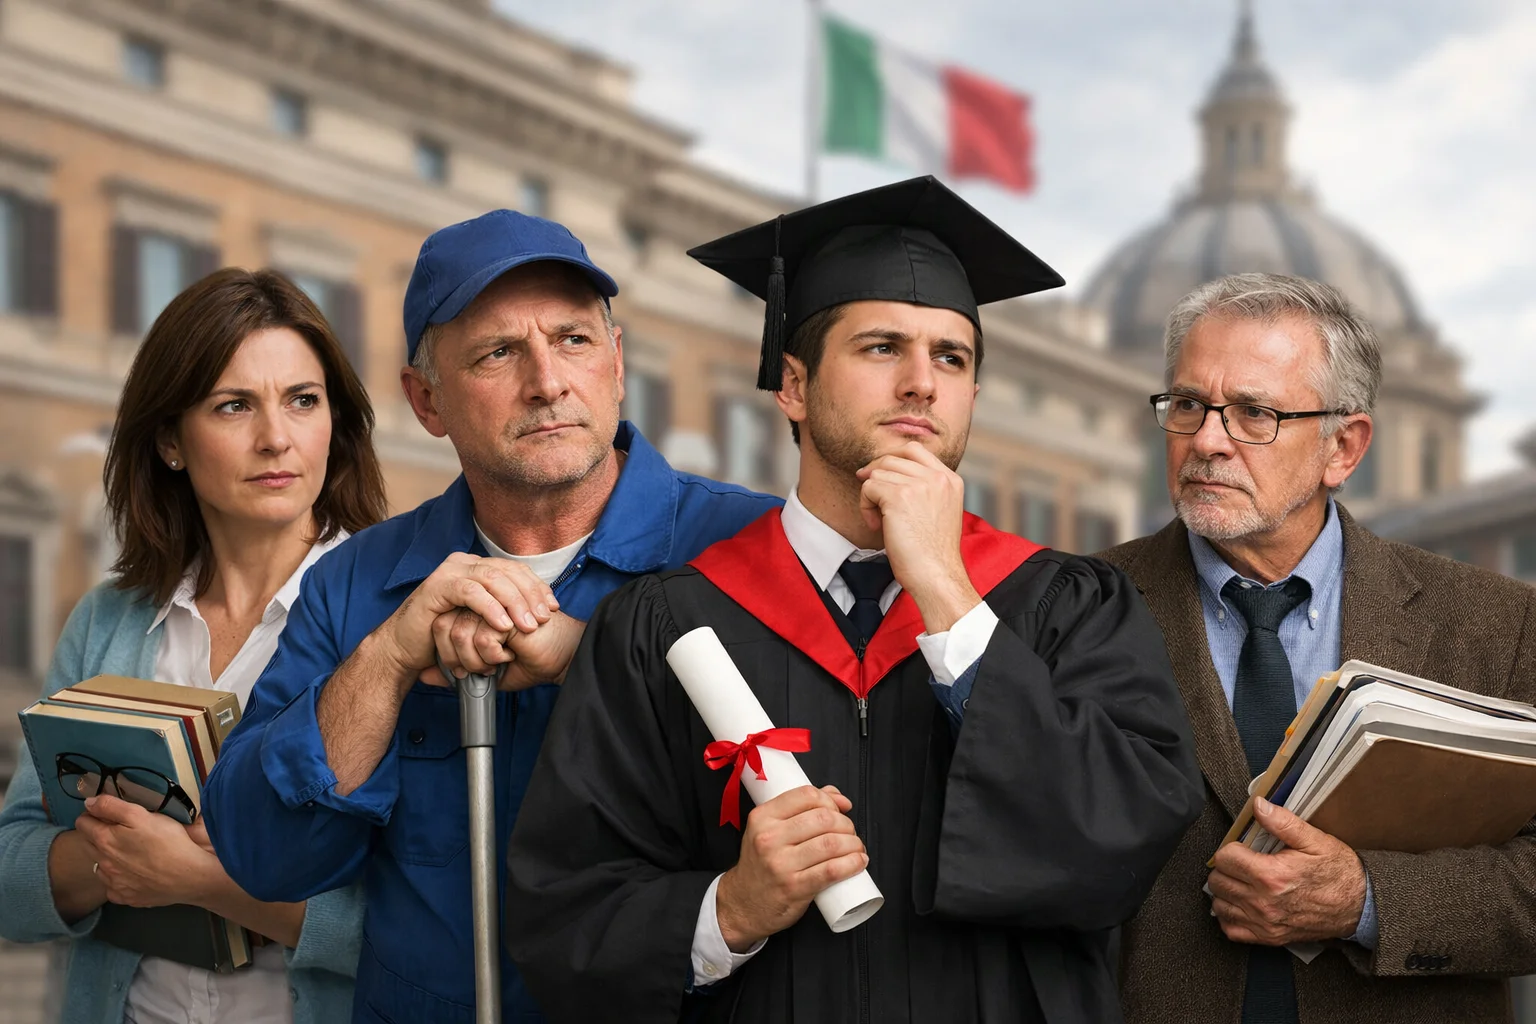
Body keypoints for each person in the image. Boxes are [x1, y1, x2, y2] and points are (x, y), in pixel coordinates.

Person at [502, 175, 1205, 1024]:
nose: (921, 383)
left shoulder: (1070, 607)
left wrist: (945, 590)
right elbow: (565, 916)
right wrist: (728, 911)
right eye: (881, 348)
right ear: (793, 386)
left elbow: (1124, 848)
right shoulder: (666, 625)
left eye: (951, 358)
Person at [200, 209, 781, 1022]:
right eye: (497, 353)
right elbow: (266, 857)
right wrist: (389, 659)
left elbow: (830, 799)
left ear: (616, 363)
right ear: (426, 400)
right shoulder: (355, 584)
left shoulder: (755, 547)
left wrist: (593, 655)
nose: (548, 381)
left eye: (573, 340)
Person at [1098, 272, 1536, 1024]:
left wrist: (1366, 899)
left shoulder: (1501, 623)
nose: (1206, 441)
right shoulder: (1074, 604)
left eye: (1255, 413)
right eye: (1189, 405)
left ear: (1344, 447)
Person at [0, 268, 386, 1024]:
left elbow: (435, 925)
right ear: (171, 441)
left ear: (335, 424)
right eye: (233, 405)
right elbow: (11, 885)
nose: (276, 438)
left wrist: (206, 880)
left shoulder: (393, 620)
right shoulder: (105, 621)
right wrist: (113, 857)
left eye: (303, 400)